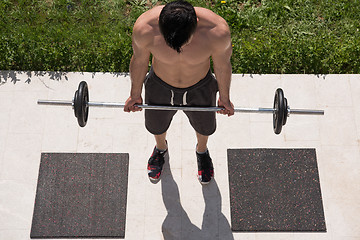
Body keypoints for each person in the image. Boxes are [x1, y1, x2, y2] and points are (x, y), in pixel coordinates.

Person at [124, 0, 234, 184]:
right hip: (160, 84)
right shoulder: (145, 28)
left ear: (196, 25)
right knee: (156, 125)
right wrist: (135, 94)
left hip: (200, 86)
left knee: (204, 127)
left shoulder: (217, 32)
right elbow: (140, 60)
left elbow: (222, 65)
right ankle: (160, 149)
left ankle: (202, 151)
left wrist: (224, 98)